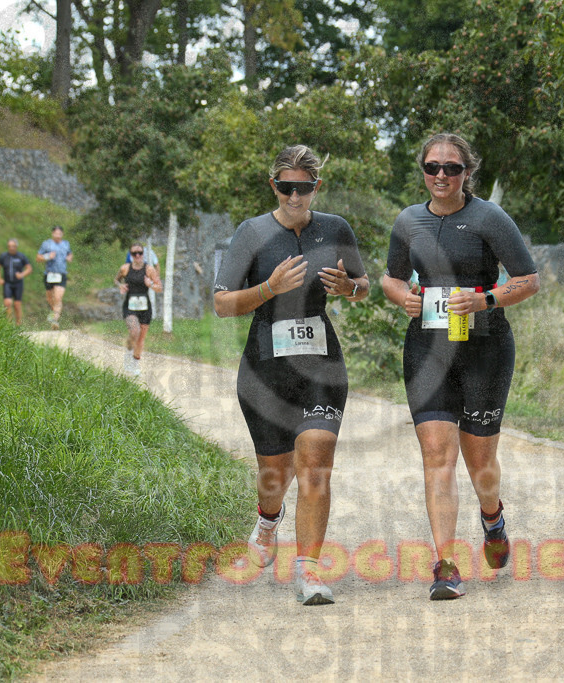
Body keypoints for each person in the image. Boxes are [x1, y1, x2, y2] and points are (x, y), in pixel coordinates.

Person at [381, 133, 539, 600]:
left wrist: (484, 298)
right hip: (426, 349)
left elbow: (529, 279)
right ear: (423, 171)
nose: (442, 176)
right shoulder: (408, 221)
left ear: (468, 172)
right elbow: (391, 277)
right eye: (433, 167)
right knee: (437, 454)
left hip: (484, 349)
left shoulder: (489, 217)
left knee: (479, 460)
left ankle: (493, 520)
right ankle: (446, 565)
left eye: (452, 168)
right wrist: (404, 298)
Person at [213, 145, 369, 606]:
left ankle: (308, 570)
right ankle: (266, 523)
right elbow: (222, 304)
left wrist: (350, 288)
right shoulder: (252, 232)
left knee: (315, 460)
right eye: (286, 186)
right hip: (265, 367)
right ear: (274, 185)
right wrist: (268, 288)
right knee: (274, 473)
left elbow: (362, 284)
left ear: (316, 187)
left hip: (321, 363)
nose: (295, 195)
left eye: (304, 187)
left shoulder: (335, 228)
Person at [115, 242, 163, 375]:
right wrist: (121, 286)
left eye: (140, 253)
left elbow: (160, 288)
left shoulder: (149, 270)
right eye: (134, 253)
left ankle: (134, 364)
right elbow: (116, 279)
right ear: (130, 255)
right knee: (134, 331)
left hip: (145, 307)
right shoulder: (125, 268)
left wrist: (151, 284)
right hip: (130, 305)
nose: (137, 256)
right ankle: (128, 356)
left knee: (141, 339)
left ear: (143, 254)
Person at [37, 226, 73, 330]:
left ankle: (54, 319)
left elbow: (69, 253)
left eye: (60, 233)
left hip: (61, 274)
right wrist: (48, 256)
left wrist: (69, 257)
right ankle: (53, 313)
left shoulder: (66, 244)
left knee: (58, 297)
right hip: (49, 274)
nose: (58, 235)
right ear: (53, 233)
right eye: (56, 233)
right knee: (50, 298)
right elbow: (38, 258)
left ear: (62, 234)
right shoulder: (46, 244)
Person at [0, 239, 32, 325]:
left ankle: (18, 324)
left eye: (13, 246)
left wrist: (22, 274)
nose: (11, 248)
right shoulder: (3, 256)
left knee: (17, 305)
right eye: (10, 246)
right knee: (7, 303)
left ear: (16, 247)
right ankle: (9, 324)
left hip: (18, 283)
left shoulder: (21, 256)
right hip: (7, 283)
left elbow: (29, 268)